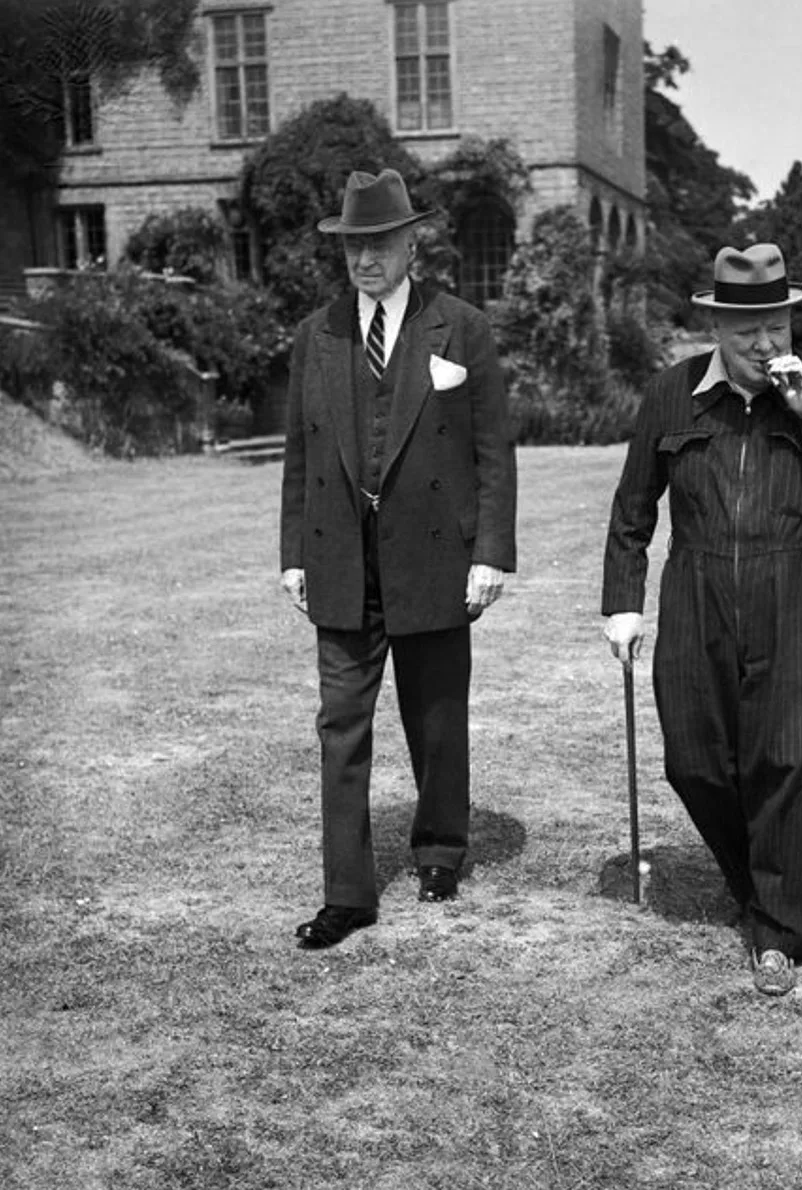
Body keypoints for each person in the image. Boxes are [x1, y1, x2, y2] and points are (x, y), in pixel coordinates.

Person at [602, 243, 802, 994]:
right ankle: (757, 880)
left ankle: (779, 932)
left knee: (788, 762)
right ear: (716, 329)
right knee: (695, 759)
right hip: (698, 589)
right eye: (747, 334)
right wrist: (622, 602)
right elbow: (633, 507)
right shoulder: (673, 394)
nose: (765, 346)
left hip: (798, 592)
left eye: (776, 328)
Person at [280, 168, 517, 949]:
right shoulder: (317, 335)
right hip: (343, 561)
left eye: (379, 243)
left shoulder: (462, 329)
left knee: (438, 717)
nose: (364, 259)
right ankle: (347, 896)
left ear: (414, 242)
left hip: (436, 559)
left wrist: (491, 554)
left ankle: (441, 850)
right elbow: (299, 454)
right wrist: (293, 554)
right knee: (340, 726)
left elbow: (493, 452)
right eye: (352, 246)